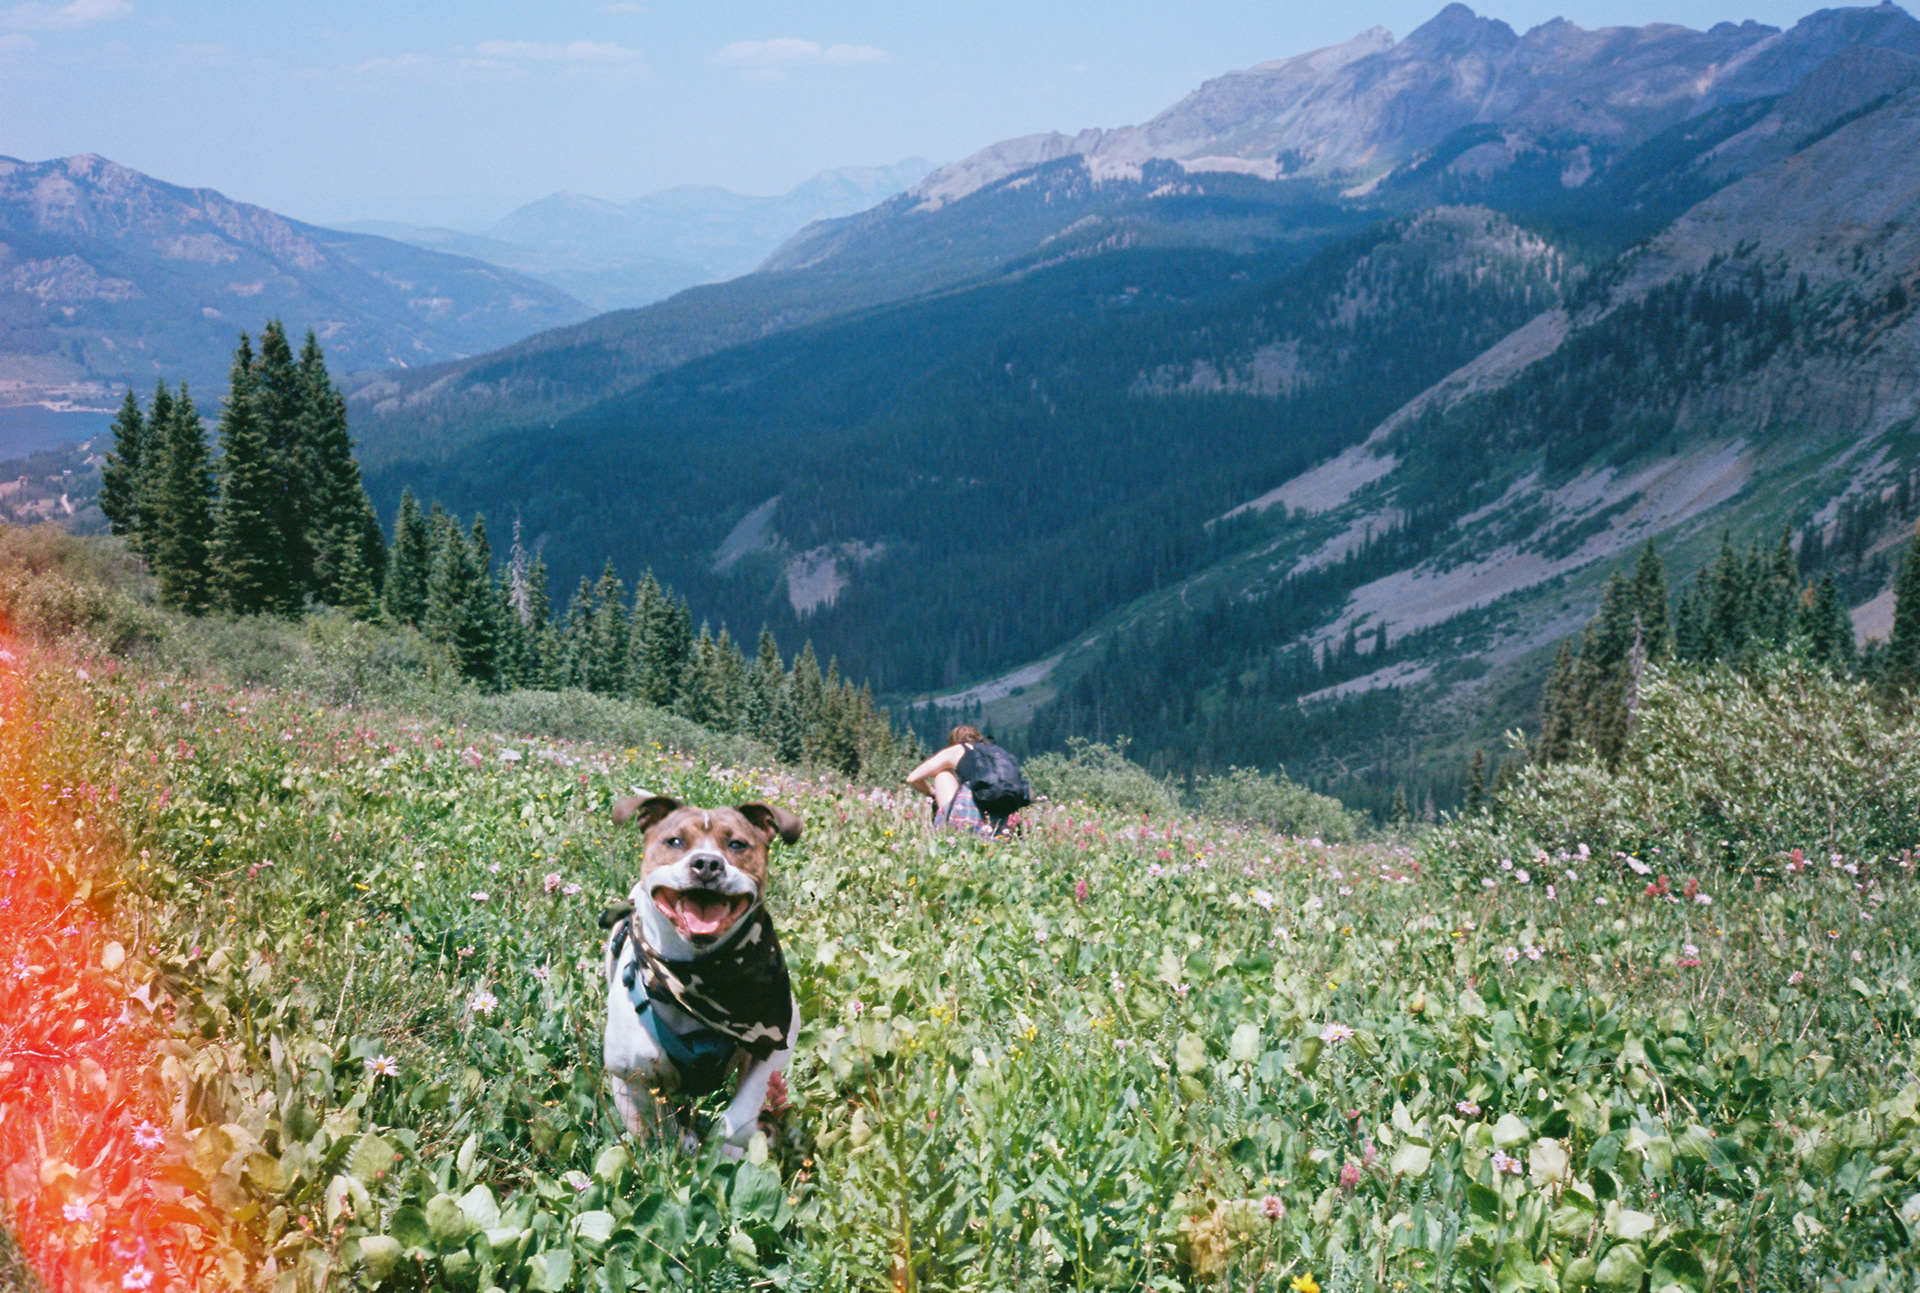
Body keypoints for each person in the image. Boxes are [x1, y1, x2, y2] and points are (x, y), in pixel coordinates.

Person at [906, 725, 1015, 837]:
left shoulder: (958, 749)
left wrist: (934, 794)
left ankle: (945, 829)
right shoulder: (996, 753)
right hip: (1004, 824)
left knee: (943, 774)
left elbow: (912, 778)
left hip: (967, 821)